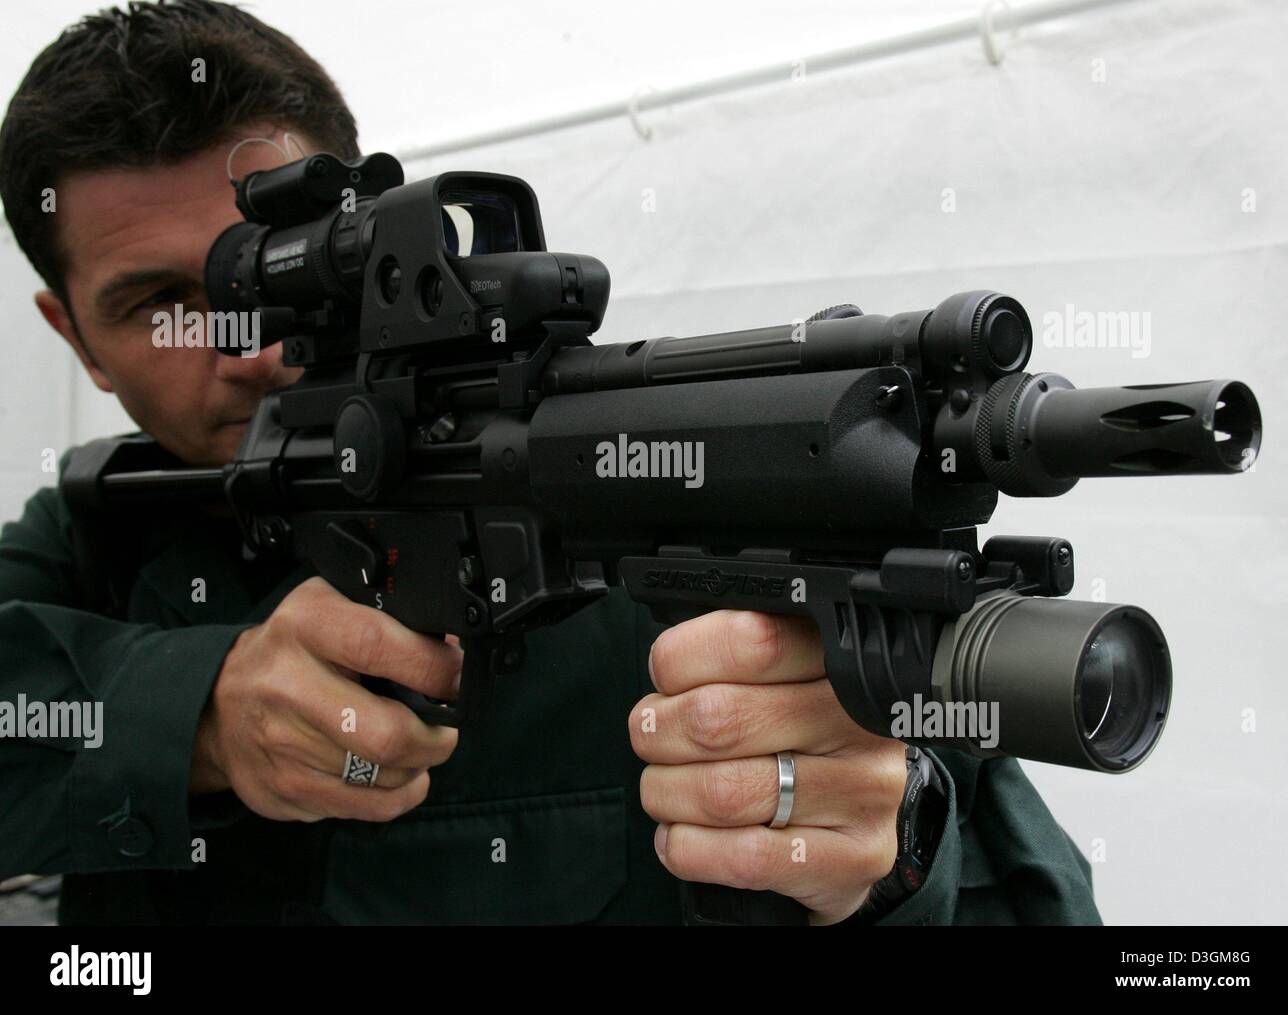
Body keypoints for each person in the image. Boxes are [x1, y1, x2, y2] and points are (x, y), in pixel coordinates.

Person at [0, 0, 1101, 926]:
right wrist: (196, 715)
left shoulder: (647, 530)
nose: (243, 348)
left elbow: (1038, 901)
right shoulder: (94, 540)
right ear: (74, 340)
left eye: (267, 283)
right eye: (160, 306)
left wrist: (894, 855)